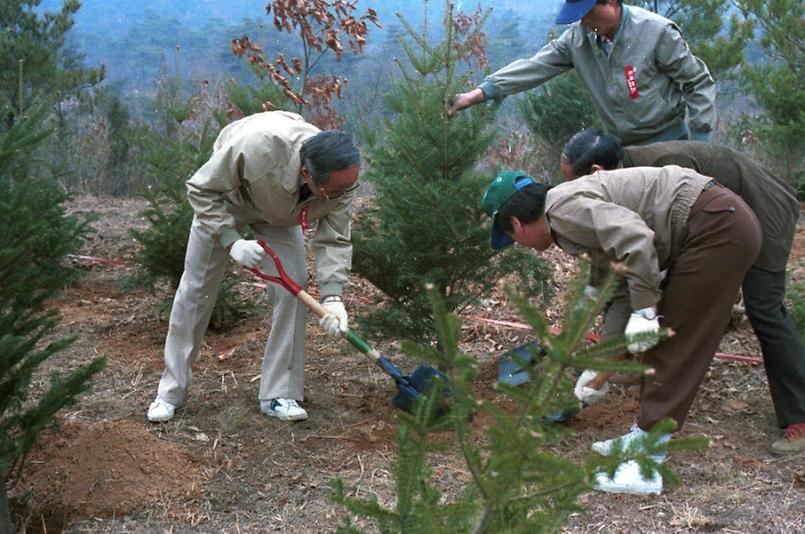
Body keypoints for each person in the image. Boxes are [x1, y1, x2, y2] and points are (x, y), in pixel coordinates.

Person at [481, 167, 762, 493]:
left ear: (516, 224)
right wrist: (602, 364)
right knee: (665, 335)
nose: (521, 245)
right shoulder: (566, 218)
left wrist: (645, 310)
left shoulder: (562, 210)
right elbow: (616, 286)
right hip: (717, 221)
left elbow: (635, 238)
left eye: (512, 238)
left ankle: (645, 467)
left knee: (673, 340)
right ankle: (641, 438)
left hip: (715, 227)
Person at [560, 128, 805, 455]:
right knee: (669, 294)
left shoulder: (662, 163)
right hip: (715, 222)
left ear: (595, 173)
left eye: (572, 183)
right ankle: (643, 369)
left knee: (765, 309)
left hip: (762, 207)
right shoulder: (620, 177)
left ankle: (800, 418)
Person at [147, 110, 361, 423]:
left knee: (293, 287)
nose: (341, 196)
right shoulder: (257, 147)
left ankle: (278, 393)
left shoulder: (341, 181)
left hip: (280, 215)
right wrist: (231, 240)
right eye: (333, 191)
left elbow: (335, 240)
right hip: (226, 201)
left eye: (347, 189)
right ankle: (170, 392)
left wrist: (333, 297)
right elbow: (201, 188)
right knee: (196, 291)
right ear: (306, 173)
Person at [449, 0, 716, 146]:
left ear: (611, 2)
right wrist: (481, 92)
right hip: (622, 148)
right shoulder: (579, 38)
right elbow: (535, 66)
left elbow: (697, 82)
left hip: (669, 143)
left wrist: (700, 139)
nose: (585, 20)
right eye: (580, 15)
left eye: (589, 12)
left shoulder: (655, 32)